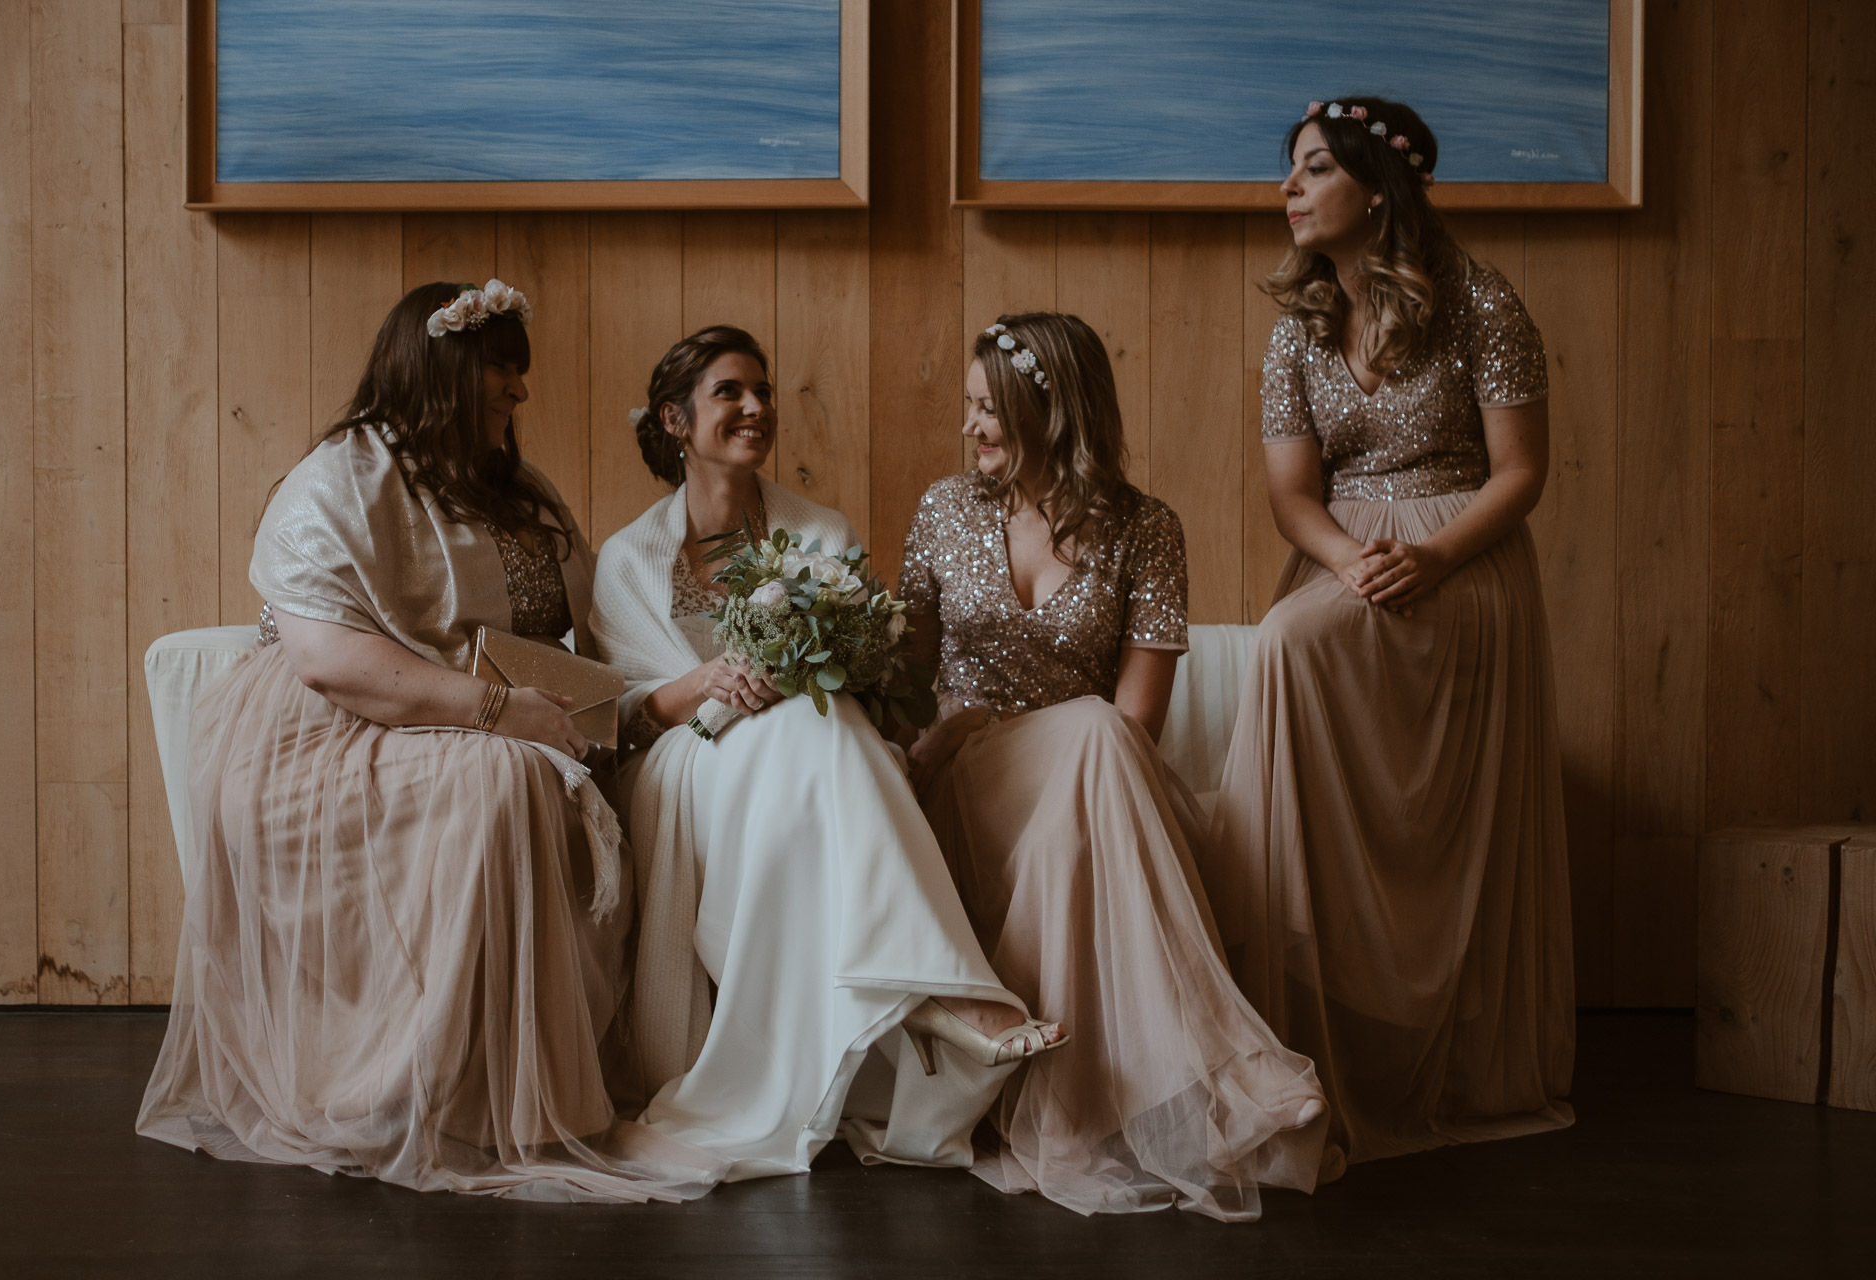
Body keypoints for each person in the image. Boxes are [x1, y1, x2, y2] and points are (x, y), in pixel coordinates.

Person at [137, 281, 717, 1202]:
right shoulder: (338, 478)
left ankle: (515, 1094)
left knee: (554, 772)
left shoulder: (521, 491)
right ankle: (465, 1099)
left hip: (476, 720)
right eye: (500, 371)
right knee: (505, 781)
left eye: (518, 376)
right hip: (325, 737)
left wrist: (641, 709)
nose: (518, 394)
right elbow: (329, 662)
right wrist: (499, 714)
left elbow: (570, 650)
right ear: (441, 368)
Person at [586, 325, 1066, 1182]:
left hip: (809, 749)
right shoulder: (626, 559)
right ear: (674, 419)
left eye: (763, 391)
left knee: (829, 729)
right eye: (731, 392)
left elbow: (861, 676)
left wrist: (802, 668)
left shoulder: (822, 531)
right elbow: (628, 717)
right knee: (826, 737)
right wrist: (709, 682)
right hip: (685, 764)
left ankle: (919, 988)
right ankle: (941, 985)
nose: (757, 407)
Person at [1203, 97, 1575, 1178]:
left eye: (1312, 169)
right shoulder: (1296, 328)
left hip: (1460, 554)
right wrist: (1344, 557)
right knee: (1284, 645)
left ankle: (1451, 1054)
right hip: (1343, 555)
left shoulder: (1480, 303)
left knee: (1443, 822)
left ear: (1377, 188)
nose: (1288, 188)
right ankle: (1291, 1032)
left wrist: (1434, 555)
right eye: (1288, 170)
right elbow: (1288, 491)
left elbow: (1520, 473)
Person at [900, 312, 1328, 1218]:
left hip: (1097, 780)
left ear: (1053, 412)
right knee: (1091, 733)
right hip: (968, 781)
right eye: (970, 407)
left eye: (992, 408)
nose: (971, 427)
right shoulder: (944, 510)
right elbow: (904, 682)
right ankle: (1237, 1066)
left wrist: (1021, 721)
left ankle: (1093, 1109)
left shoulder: (1147, 529)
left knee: (1090, 758)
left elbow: (1138, 723)